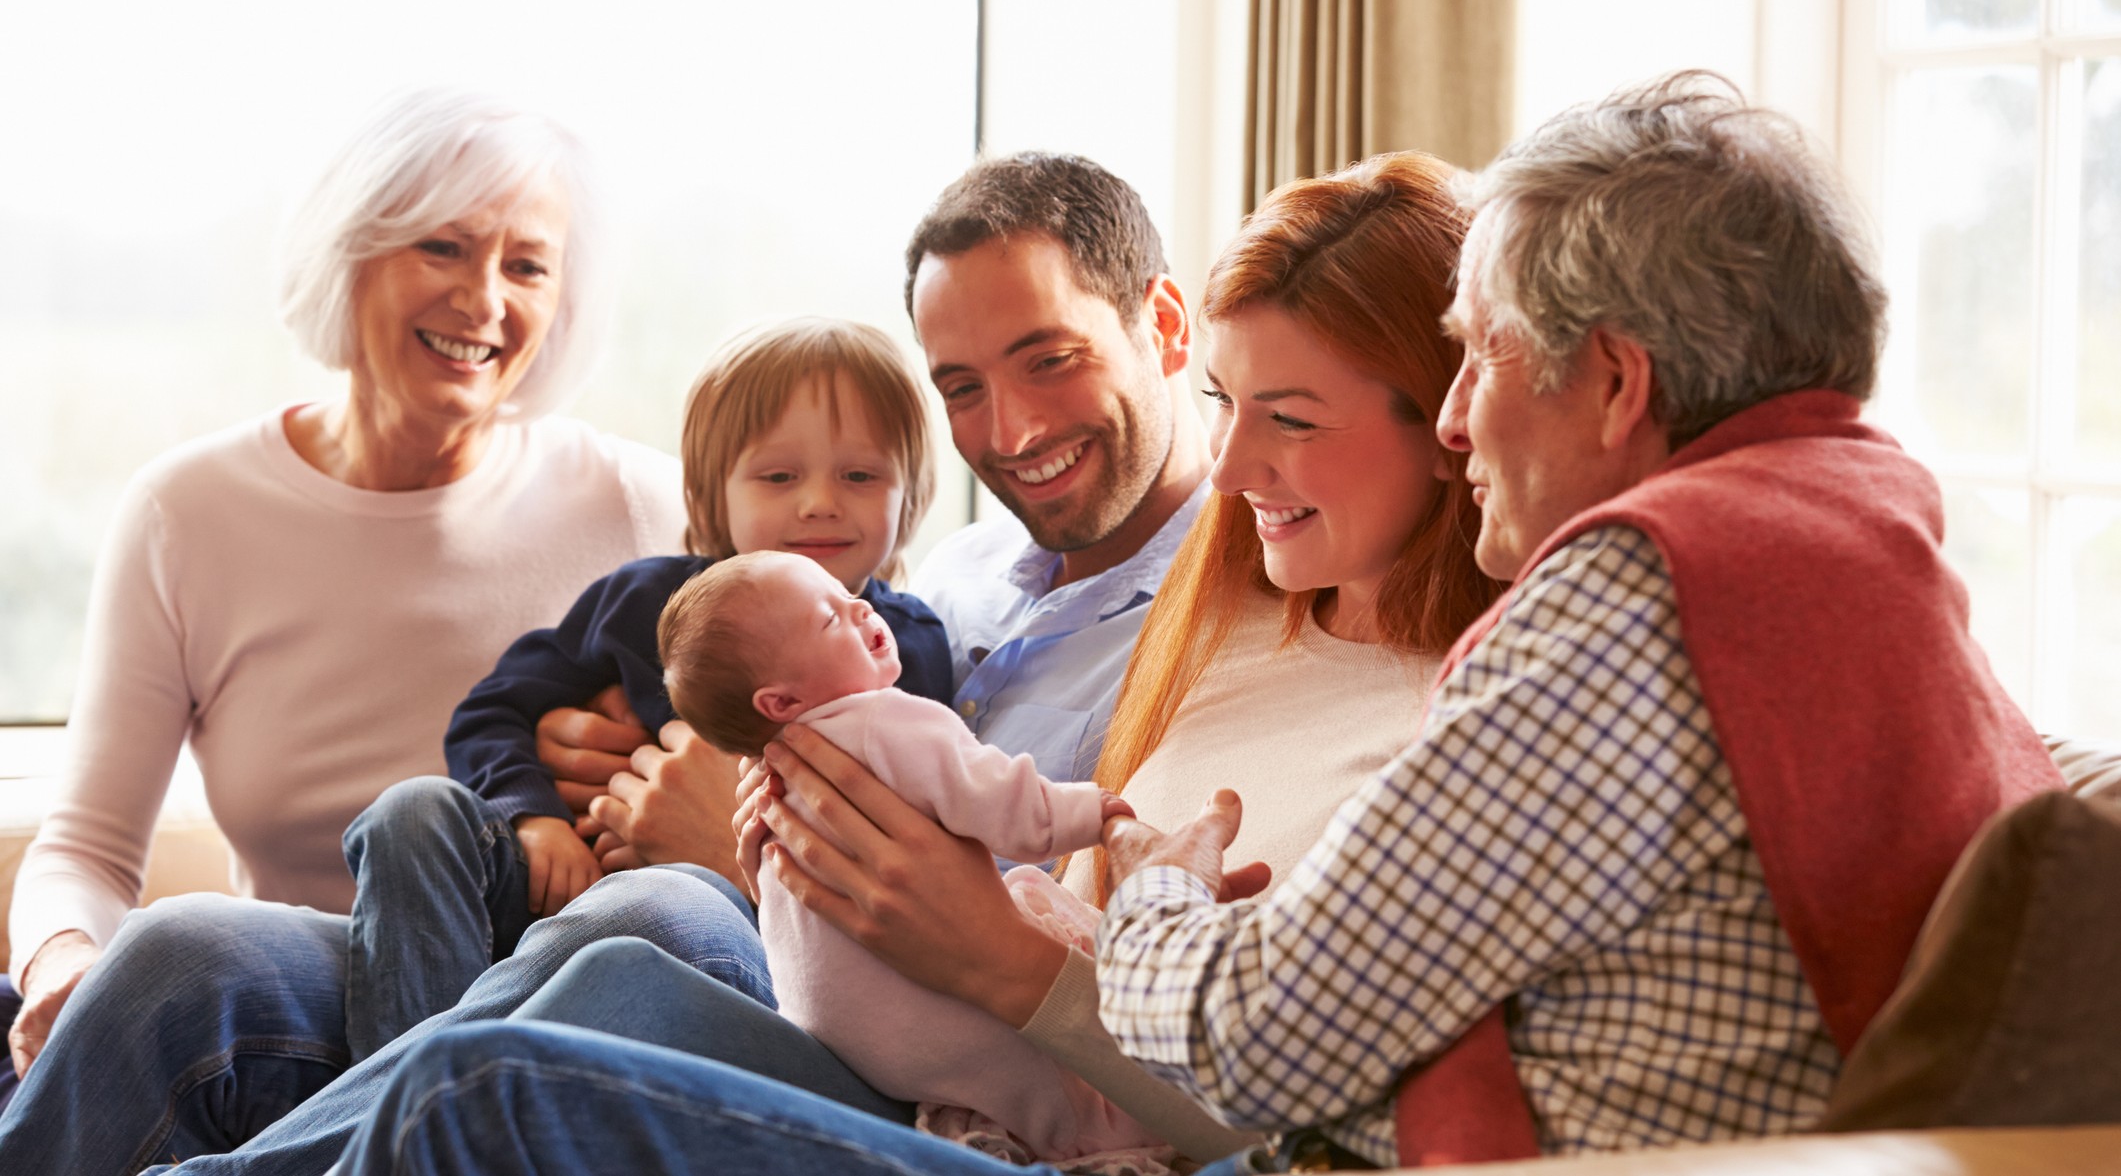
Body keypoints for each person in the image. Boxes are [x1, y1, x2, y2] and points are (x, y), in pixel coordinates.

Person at [0, 151, 1218, 1176]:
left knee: (646, 913)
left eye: (1048, 357)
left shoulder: (1218, 620)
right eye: (962, 384)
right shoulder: (950, 573)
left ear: (1166, 329)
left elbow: (1062, 922)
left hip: (861, 1008)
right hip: (625, 928)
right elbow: (636, 657)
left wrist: (716, 842)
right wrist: (553, 777)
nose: (1005, 429)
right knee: (188, 957)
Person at [320, 150, 1505, 1176]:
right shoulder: (1172, 606)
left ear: (1454, 416)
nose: (1237, 465)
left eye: (1289, 418)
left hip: (1038, 1098)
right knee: (219, 962)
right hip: (928, 1029)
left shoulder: (1456, 715)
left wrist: (983, 949)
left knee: (525, 1037)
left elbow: (1295, 1105)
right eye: (1229, 407)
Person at [1090, 70, 2066, 1168]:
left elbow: (1257, 1034)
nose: (1458, 422)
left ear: (1613, 382)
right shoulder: (1860, 527)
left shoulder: (1645, 597)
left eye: (1484, 355)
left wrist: (1153, 891)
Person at [0, 88, 687, 1087]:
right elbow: (89, 851)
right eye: (443, 248)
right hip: (284, 1023)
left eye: (526, 265)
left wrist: (659, 780)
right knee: (175, 955)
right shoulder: (186, 513)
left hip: (545, 1016)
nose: (485, 298)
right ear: (352, 250)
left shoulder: (640, 505)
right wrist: (62, 955)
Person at [339, 318, 955, 1060]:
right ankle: (399, 1093)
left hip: (715, 931)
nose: (820, 502)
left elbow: (912, 820)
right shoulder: (646, 602)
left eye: (860, 476)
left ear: (911, 494)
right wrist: (535, 820)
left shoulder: (906, 645)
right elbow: (495, 709)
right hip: (551, 881)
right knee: (410, 810)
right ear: (710, 492)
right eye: (778, 476)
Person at [660, 550, 1160, 1166]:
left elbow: (780, 904)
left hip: (833, 1036)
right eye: (829, 619)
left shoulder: (769, 781)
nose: (862, 606)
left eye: (849, 596)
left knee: (645, 910)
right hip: (940, 1020)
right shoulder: (888, 722)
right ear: (780, 703)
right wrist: (1100, 813)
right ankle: (1091, 1139)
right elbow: (1012, 810)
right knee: (1041, 1067)